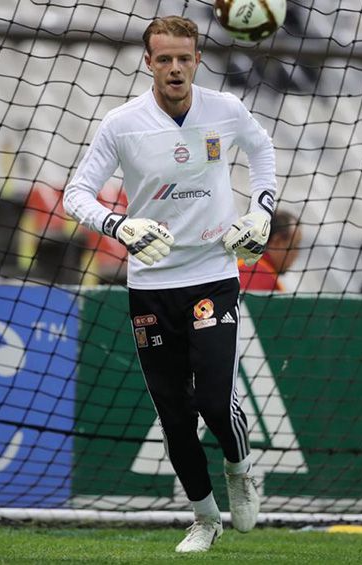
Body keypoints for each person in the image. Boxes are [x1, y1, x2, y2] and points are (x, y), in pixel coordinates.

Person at [62, 15, 275, 553]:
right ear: (148, 62)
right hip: (152, 283)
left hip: (213, 273)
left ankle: (241, 468)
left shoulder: (225, 110)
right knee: (173, 412)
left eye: (184, 57)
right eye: (164, 59)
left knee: (210, 396)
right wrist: (118, 226)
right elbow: (76, 193)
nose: (175, 68)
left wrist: (262, 211)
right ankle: (204, 519)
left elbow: (263, 150)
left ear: (198, 58)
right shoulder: (122, 123)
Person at [239, 209, 301, 291]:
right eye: (294, 246)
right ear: (277, 241)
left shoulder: (238, 264)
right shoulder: (269, 284)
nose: (297, 254)